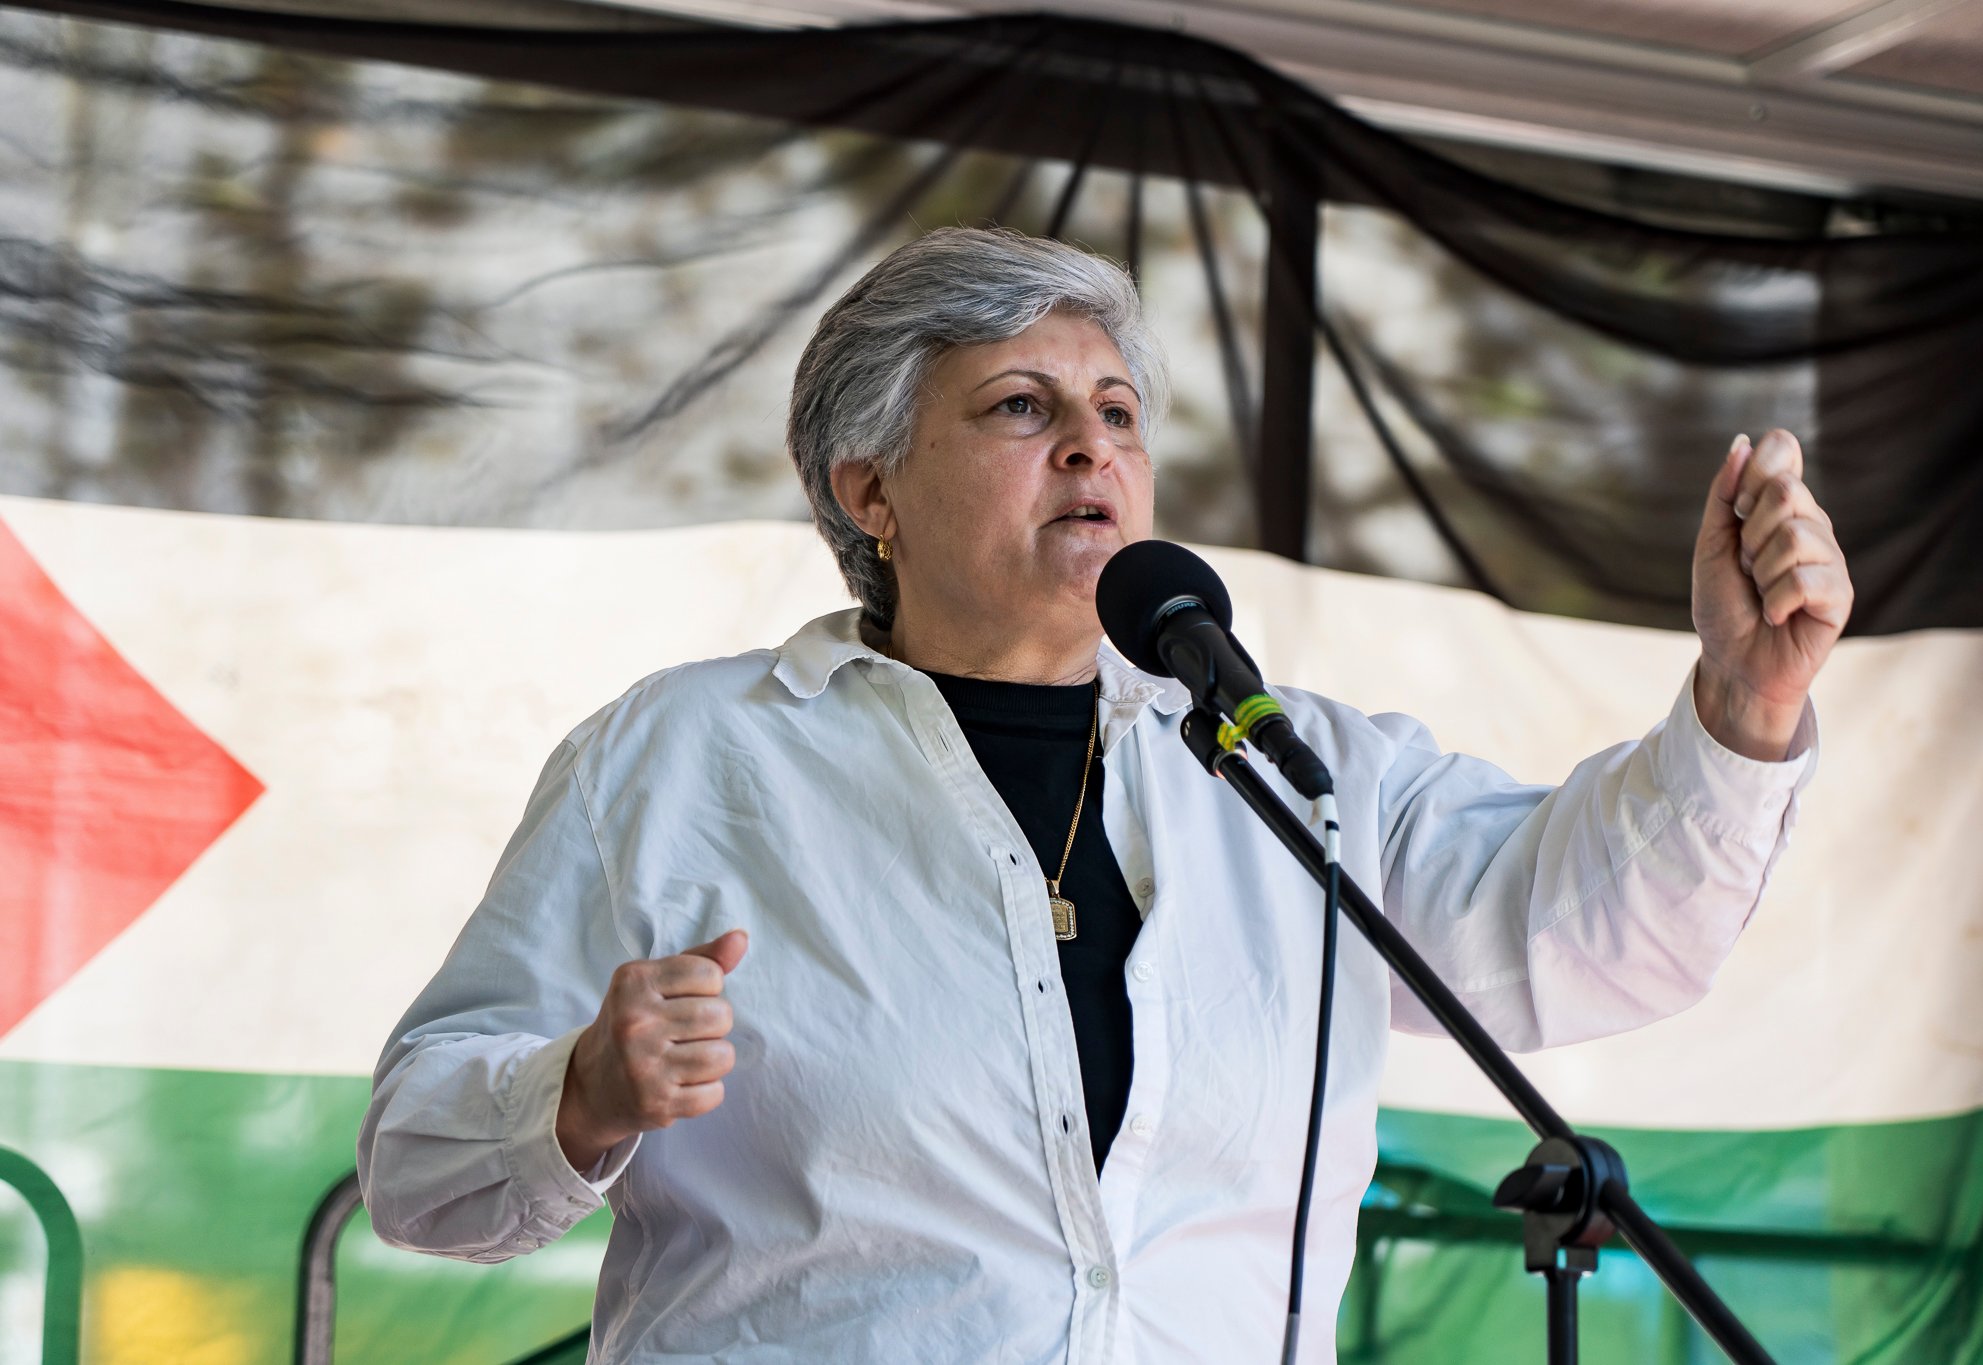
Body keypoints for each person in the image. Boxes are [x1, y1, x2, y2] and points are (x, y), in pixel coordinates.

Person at [358, 227, 1850, 1363]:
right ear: (869, 490)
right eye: (1021, 407)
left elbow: (1587, 936)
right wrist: (579, 1091)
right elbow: (418, 1164)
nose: (1091, 445)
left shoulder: (1294, 768)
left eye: (1118, 412)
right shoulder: (685, 760)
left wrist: (1746, 700)